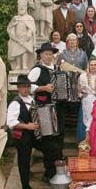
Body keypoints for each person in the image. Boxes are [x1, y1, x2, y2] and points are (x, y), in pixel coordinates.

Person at [27, 43, 64, 182]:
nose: (49, 56)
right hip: (44, 109)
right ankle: (49, 173)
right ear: (41, 55)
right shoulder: (37, 69)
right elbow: (27, 85)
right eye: (46, 54)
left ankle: (58, 172)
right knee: (49, 140)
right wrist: (43, 87)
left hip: (57, 108)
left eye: (50, 54)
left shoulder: (56, 68)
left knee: (59, 138)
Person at [6, 75, 41, 189]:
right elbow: (10, 123)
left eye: (27, 86)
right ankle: (25, 186)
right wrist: (27, 126)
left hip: (32, 135)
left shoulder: (31, 100)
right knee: (24, 162)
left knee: (51, 148)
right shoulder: (15, 103)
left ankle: (49, 174)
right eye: (23, 87)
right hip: (21, 137)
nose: (25, 89)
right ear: (18, 89)